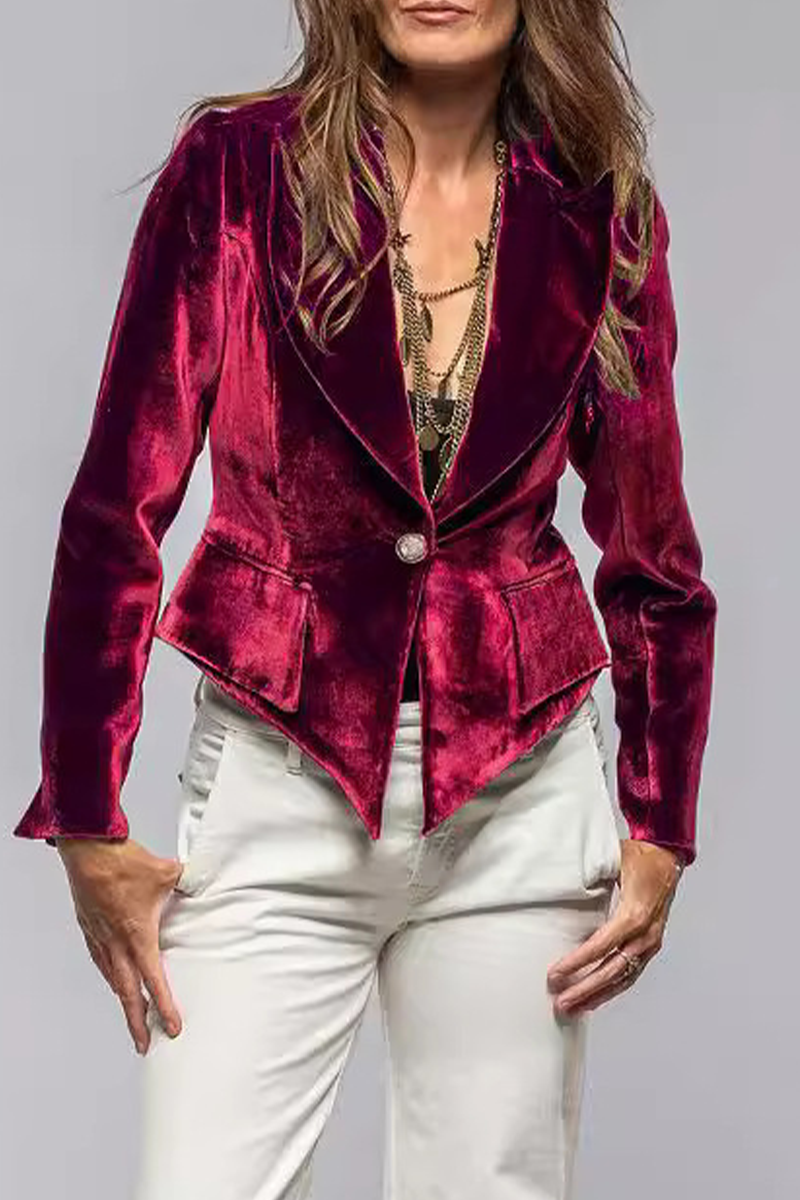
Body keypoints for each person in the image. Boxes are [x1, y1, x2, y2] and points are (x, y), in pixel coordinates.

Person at [13, 2, 718, 1197]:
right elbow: (114, 508)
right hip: (276, 780)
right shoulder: (235, 175)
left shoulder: (602, 213)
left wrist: (659, 826)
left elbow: (652, 556)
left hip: (516, 800)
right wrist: (85, 811)